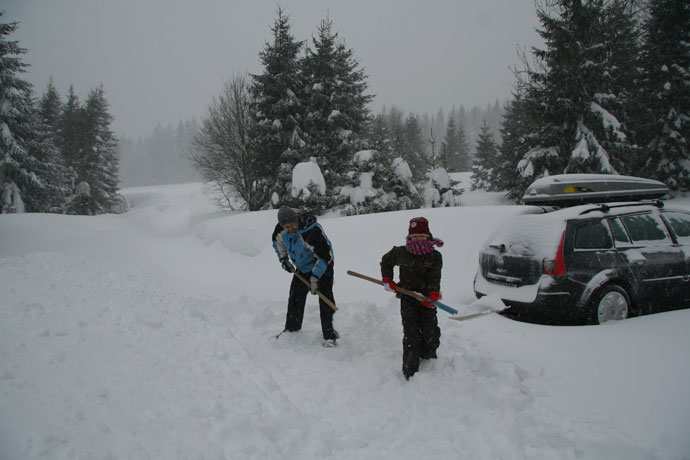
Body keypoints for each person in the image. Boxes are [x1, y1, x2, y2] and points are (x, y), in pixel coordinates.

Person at [380, 217, 443, 380]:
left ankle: (429, 358)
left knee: (430, 330)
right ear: (409, 237)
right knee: (411, 333)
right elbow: (386, 261)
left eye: (422, 235)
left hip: (427, 298)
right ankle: (410, 369)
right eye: (414, 236)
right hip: (407, 298)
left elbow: (435, 277)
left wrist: (433, 294)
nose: (418, 239)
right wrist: (387, 279)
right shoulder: (401, 252)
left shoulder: (435, 256)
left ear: (428, 236)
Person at [272, 207, 339, 346]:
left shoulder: (311, 231)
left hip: (323, 265)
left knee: (325, 299)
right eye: (287, 226)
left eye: (292, 225)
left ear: (296, 219)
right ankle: (292, 328)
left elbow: (325, 256)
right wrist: (284, 260)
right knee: (295, 296)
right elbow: (278, 244)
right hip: (302, 267)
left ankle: (330, 335)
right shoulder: (280, 230)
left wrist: (315, 277)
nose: (290, 229)